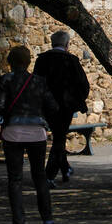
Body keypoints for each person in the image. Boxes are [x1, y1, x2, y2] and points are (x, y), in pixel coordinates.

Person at [0, 46, 59, 224]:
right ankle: (47, 219)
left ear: (10, 62)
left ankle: (19, 223)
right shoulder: (39, 81)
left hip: (13, 133)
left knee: (15, 179)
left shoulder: (6, 80)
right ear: (28, 62)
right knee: (40, 177)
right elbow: (52, 106)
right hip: (37, 133)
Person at [33, 30, 90, 186]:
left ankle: (65, 169)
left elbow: (36, 83)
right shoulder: (71, 61)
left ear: (52, 43)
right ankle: (49, 175)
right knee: (59, 137)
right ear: (67, 44)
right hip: (66, 107)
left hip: (46, 106)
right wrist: (76, 101)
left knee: (59, 136)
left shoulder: (42, 60)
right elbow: (84, 85)